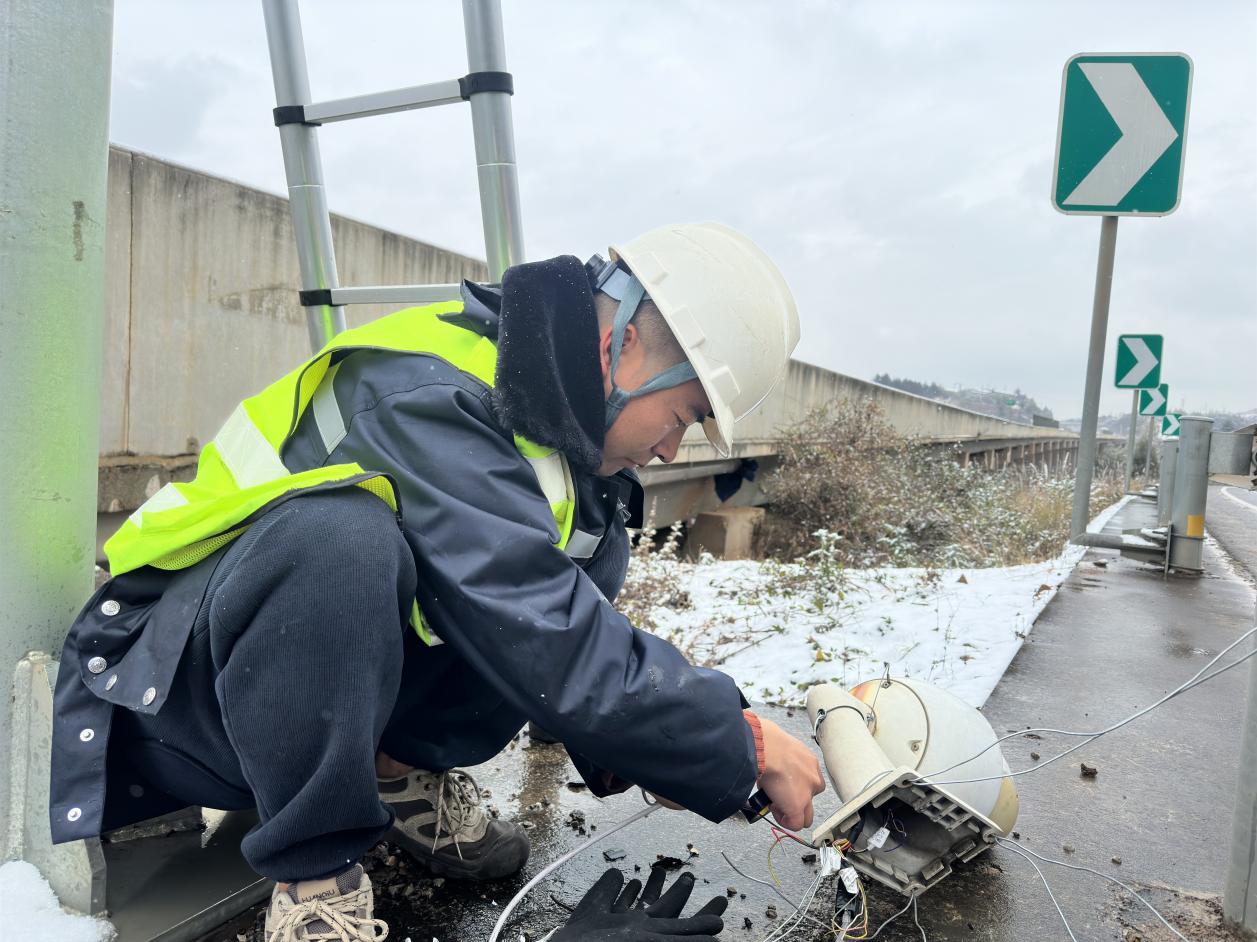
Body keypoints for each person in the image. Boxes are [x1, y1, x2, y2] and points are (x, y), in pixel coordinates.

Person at [49, 223, 824, 941]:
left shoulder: (554, 440)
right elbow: (529, 614)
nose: (671, 452)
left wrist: (654, 757)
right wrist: (737, 741)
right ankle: (316, 880)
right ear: (620, 347)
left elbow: (549, 627)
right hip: (173, 693)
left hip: (298, 703)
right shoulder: (424, 389)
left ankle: (395, 776)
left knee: (589, 549)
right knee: (340, 538)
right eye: (682, 415)